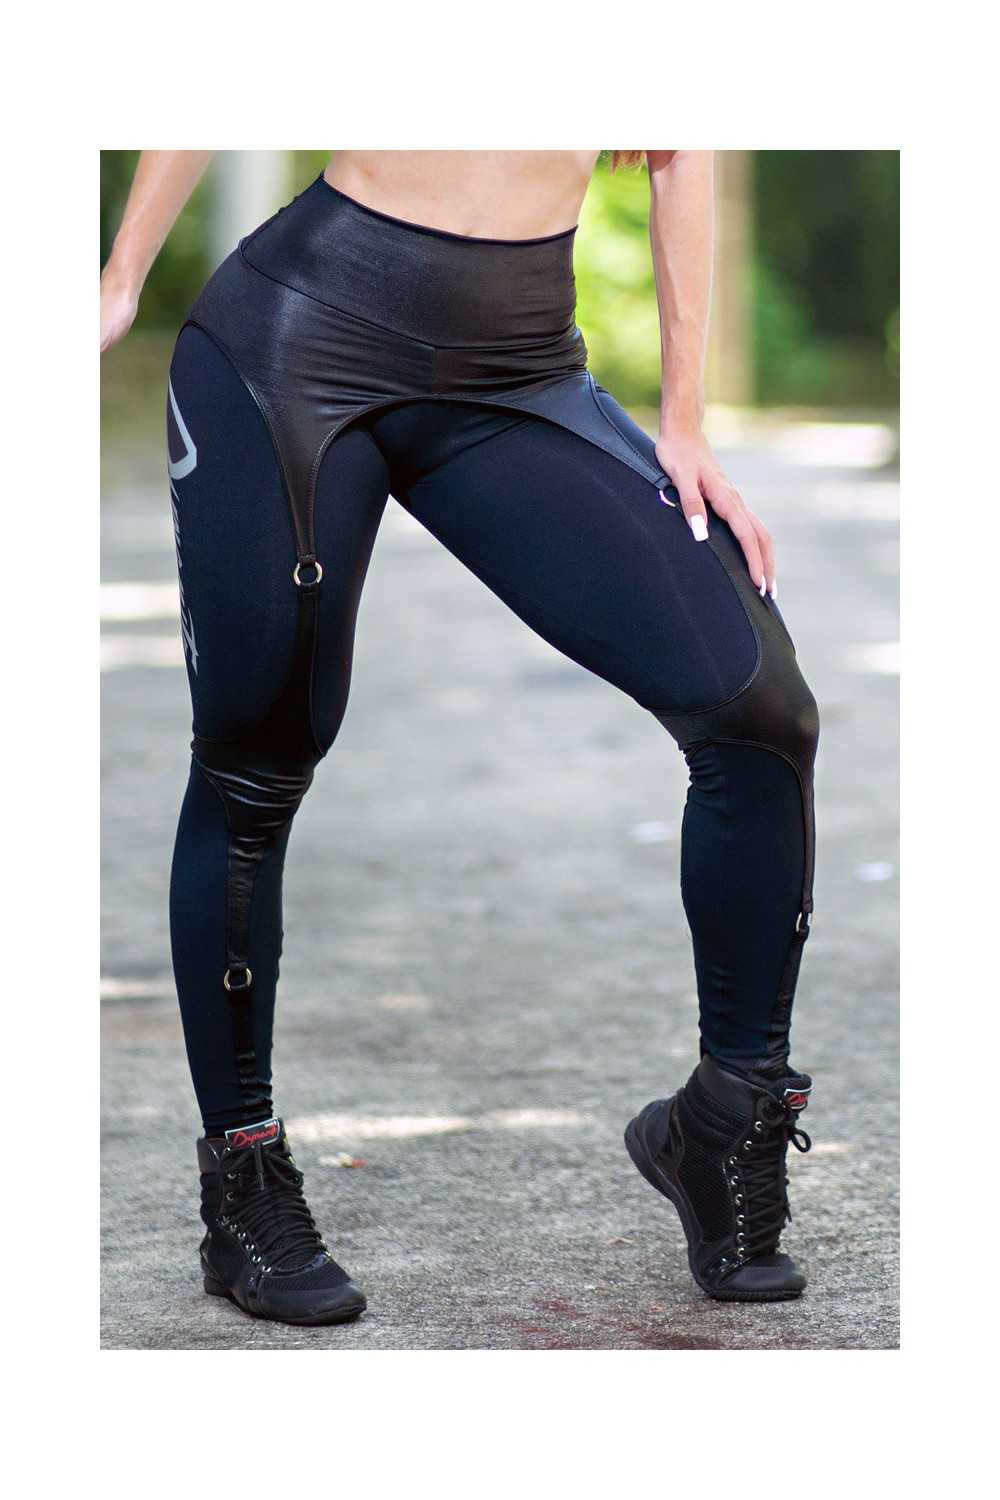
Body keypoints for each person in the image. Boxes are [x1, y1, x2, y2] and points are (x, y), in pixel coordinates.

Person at [101, 150, 819, 1326]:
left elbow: (681, 143)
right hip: (295, 347)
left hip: (520, 370)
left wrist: (684, 420)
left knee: (755, 705)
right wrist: (121, 275)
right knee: (256, 756)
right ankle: (243, 1180)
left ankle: (727, 1120)